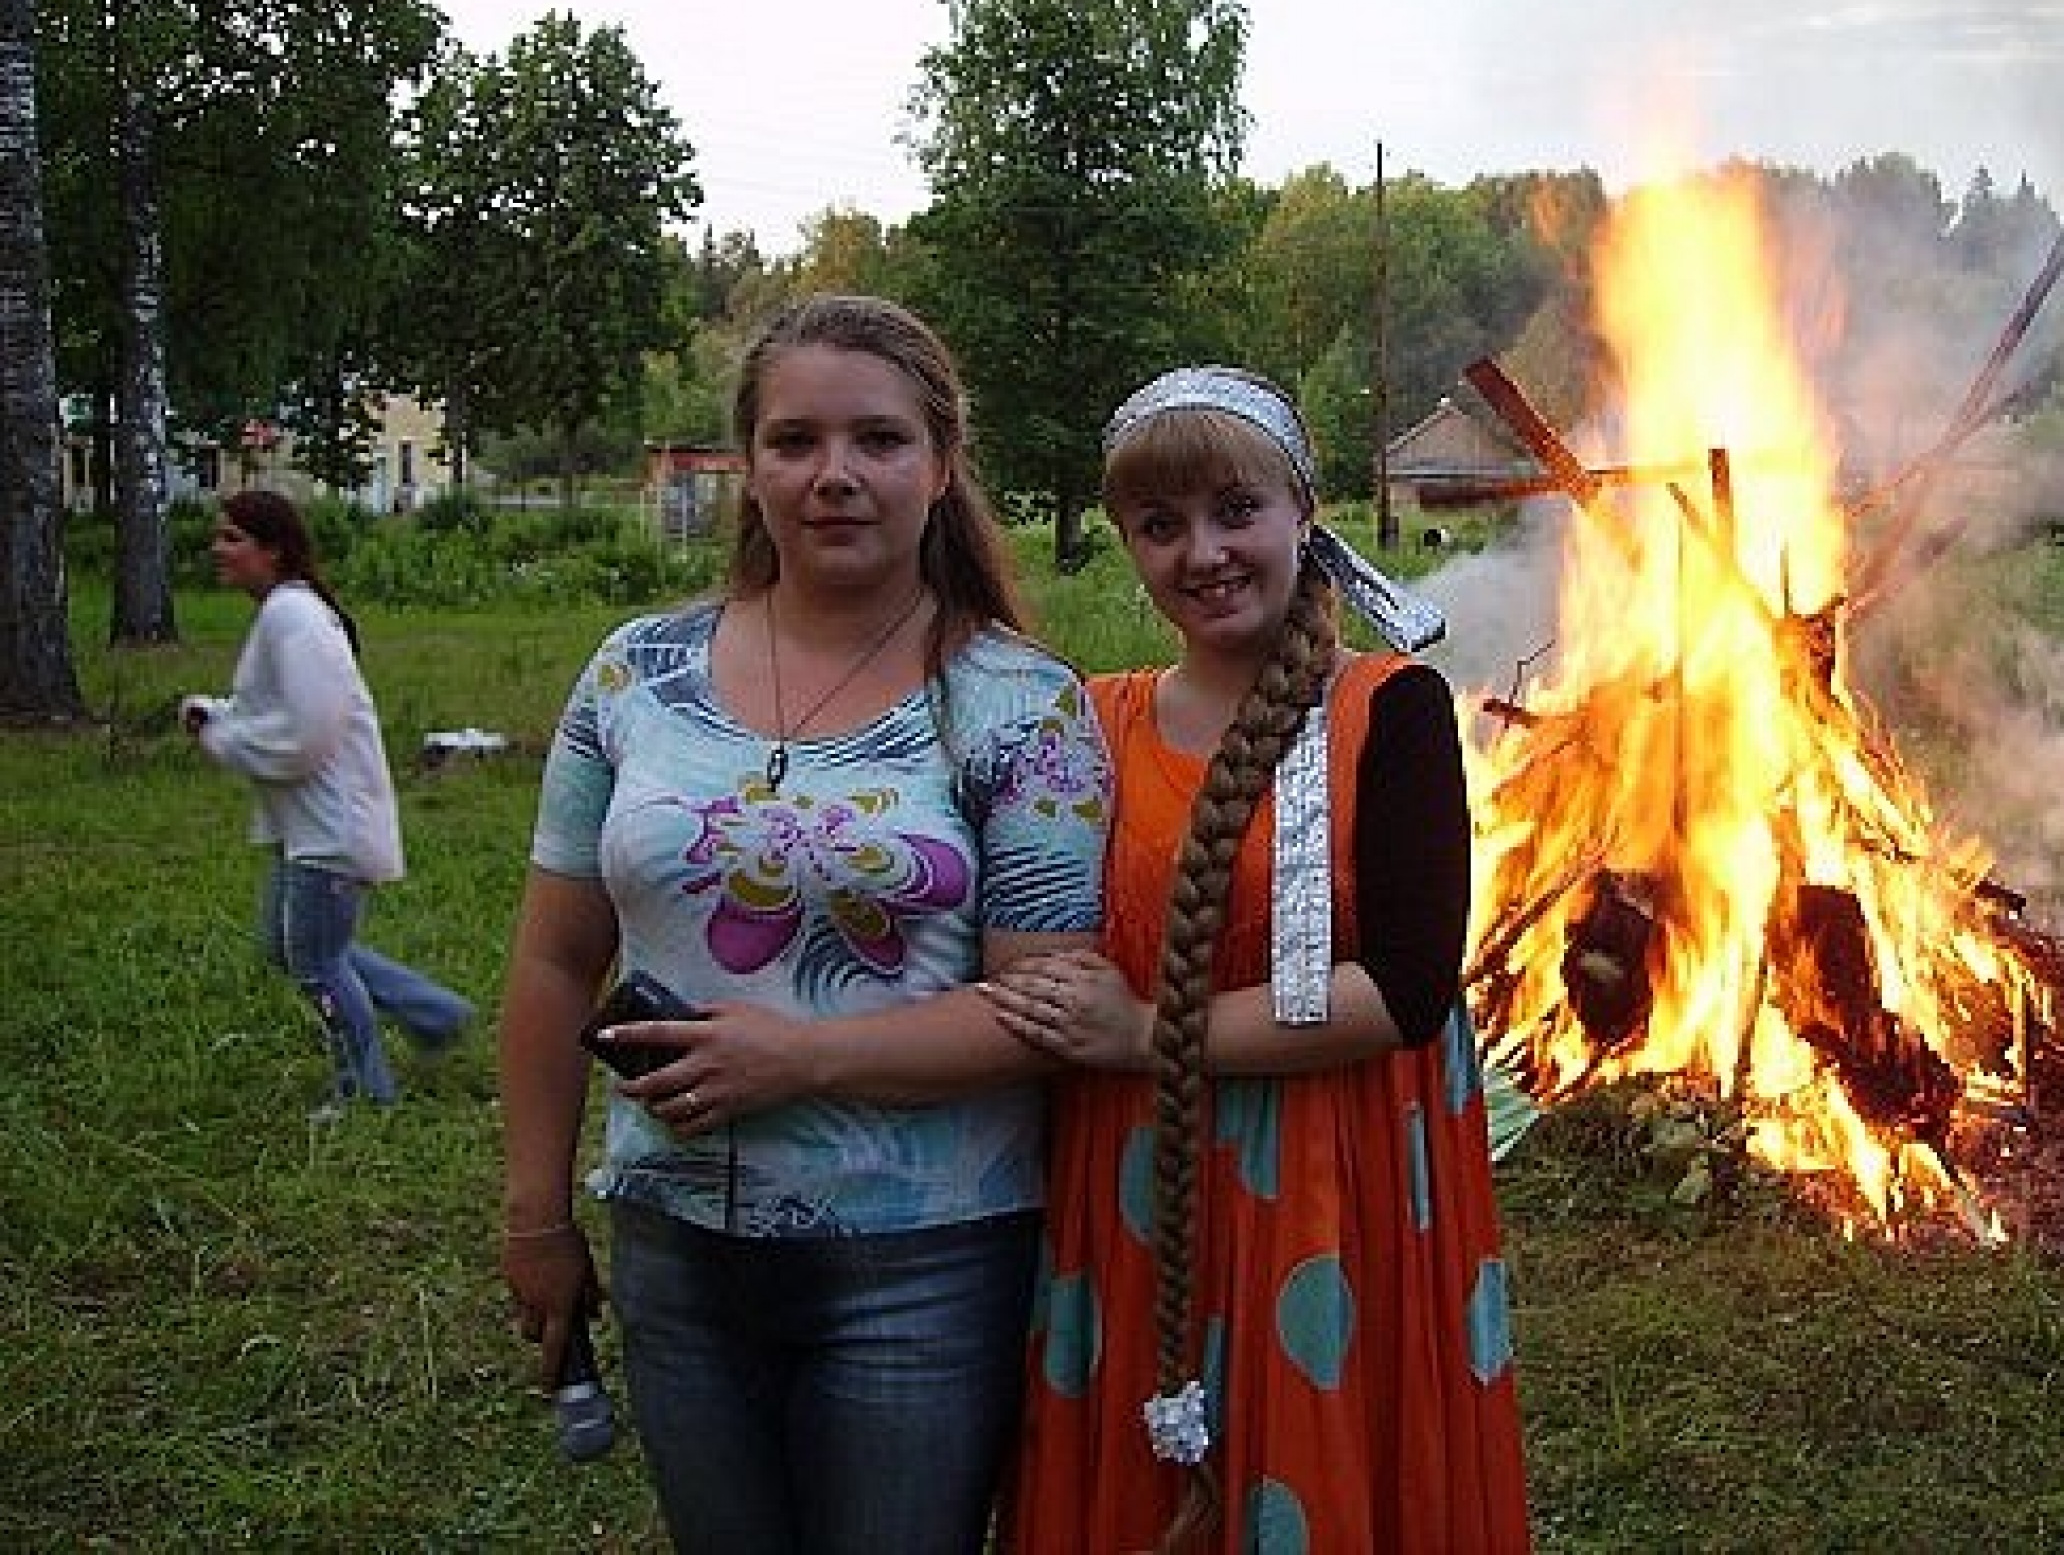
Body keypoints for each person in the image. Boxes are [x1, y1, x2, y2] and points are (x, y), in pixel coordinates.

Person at [496, 295, 1111, 1555]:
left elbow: (1044, 1010)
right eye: (795, 440)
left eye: (878, 440)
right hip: (672, 1246)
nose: (835, 474)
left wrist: (800, 1059)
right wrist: (536, 1214)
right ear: (751, 465)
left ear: (941, 464)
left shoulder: (1021, 706)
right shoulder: (635, 676)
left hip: (924, 1261)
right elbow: (555, 962)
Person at [984, 366, 1531, 1553]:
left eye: (1236, 510)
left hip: (1336, 1185)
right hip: (1143, 1188)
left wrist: (1142, 1035)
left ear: (1302, 514)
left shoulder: (1390, 710)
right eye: (1160, 524)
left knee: (1318, 1466)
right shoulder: (1093, 723)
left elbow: (1406, 988)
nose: (1203, 553)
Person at [183, 489, 474, 1119]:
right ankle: (434, 1013)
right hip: (310, 827)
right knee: (290, 946)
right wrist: (221, 714)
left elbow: (306, 739)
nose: (217, 549)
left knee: (315, 963)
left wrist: (221, 739)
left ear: (273, 550)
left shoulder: (294, 617)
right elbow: (284, 713)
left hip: (331, 830)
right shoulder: (287, 614)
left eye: (233, 538)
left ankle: (363, 1090)